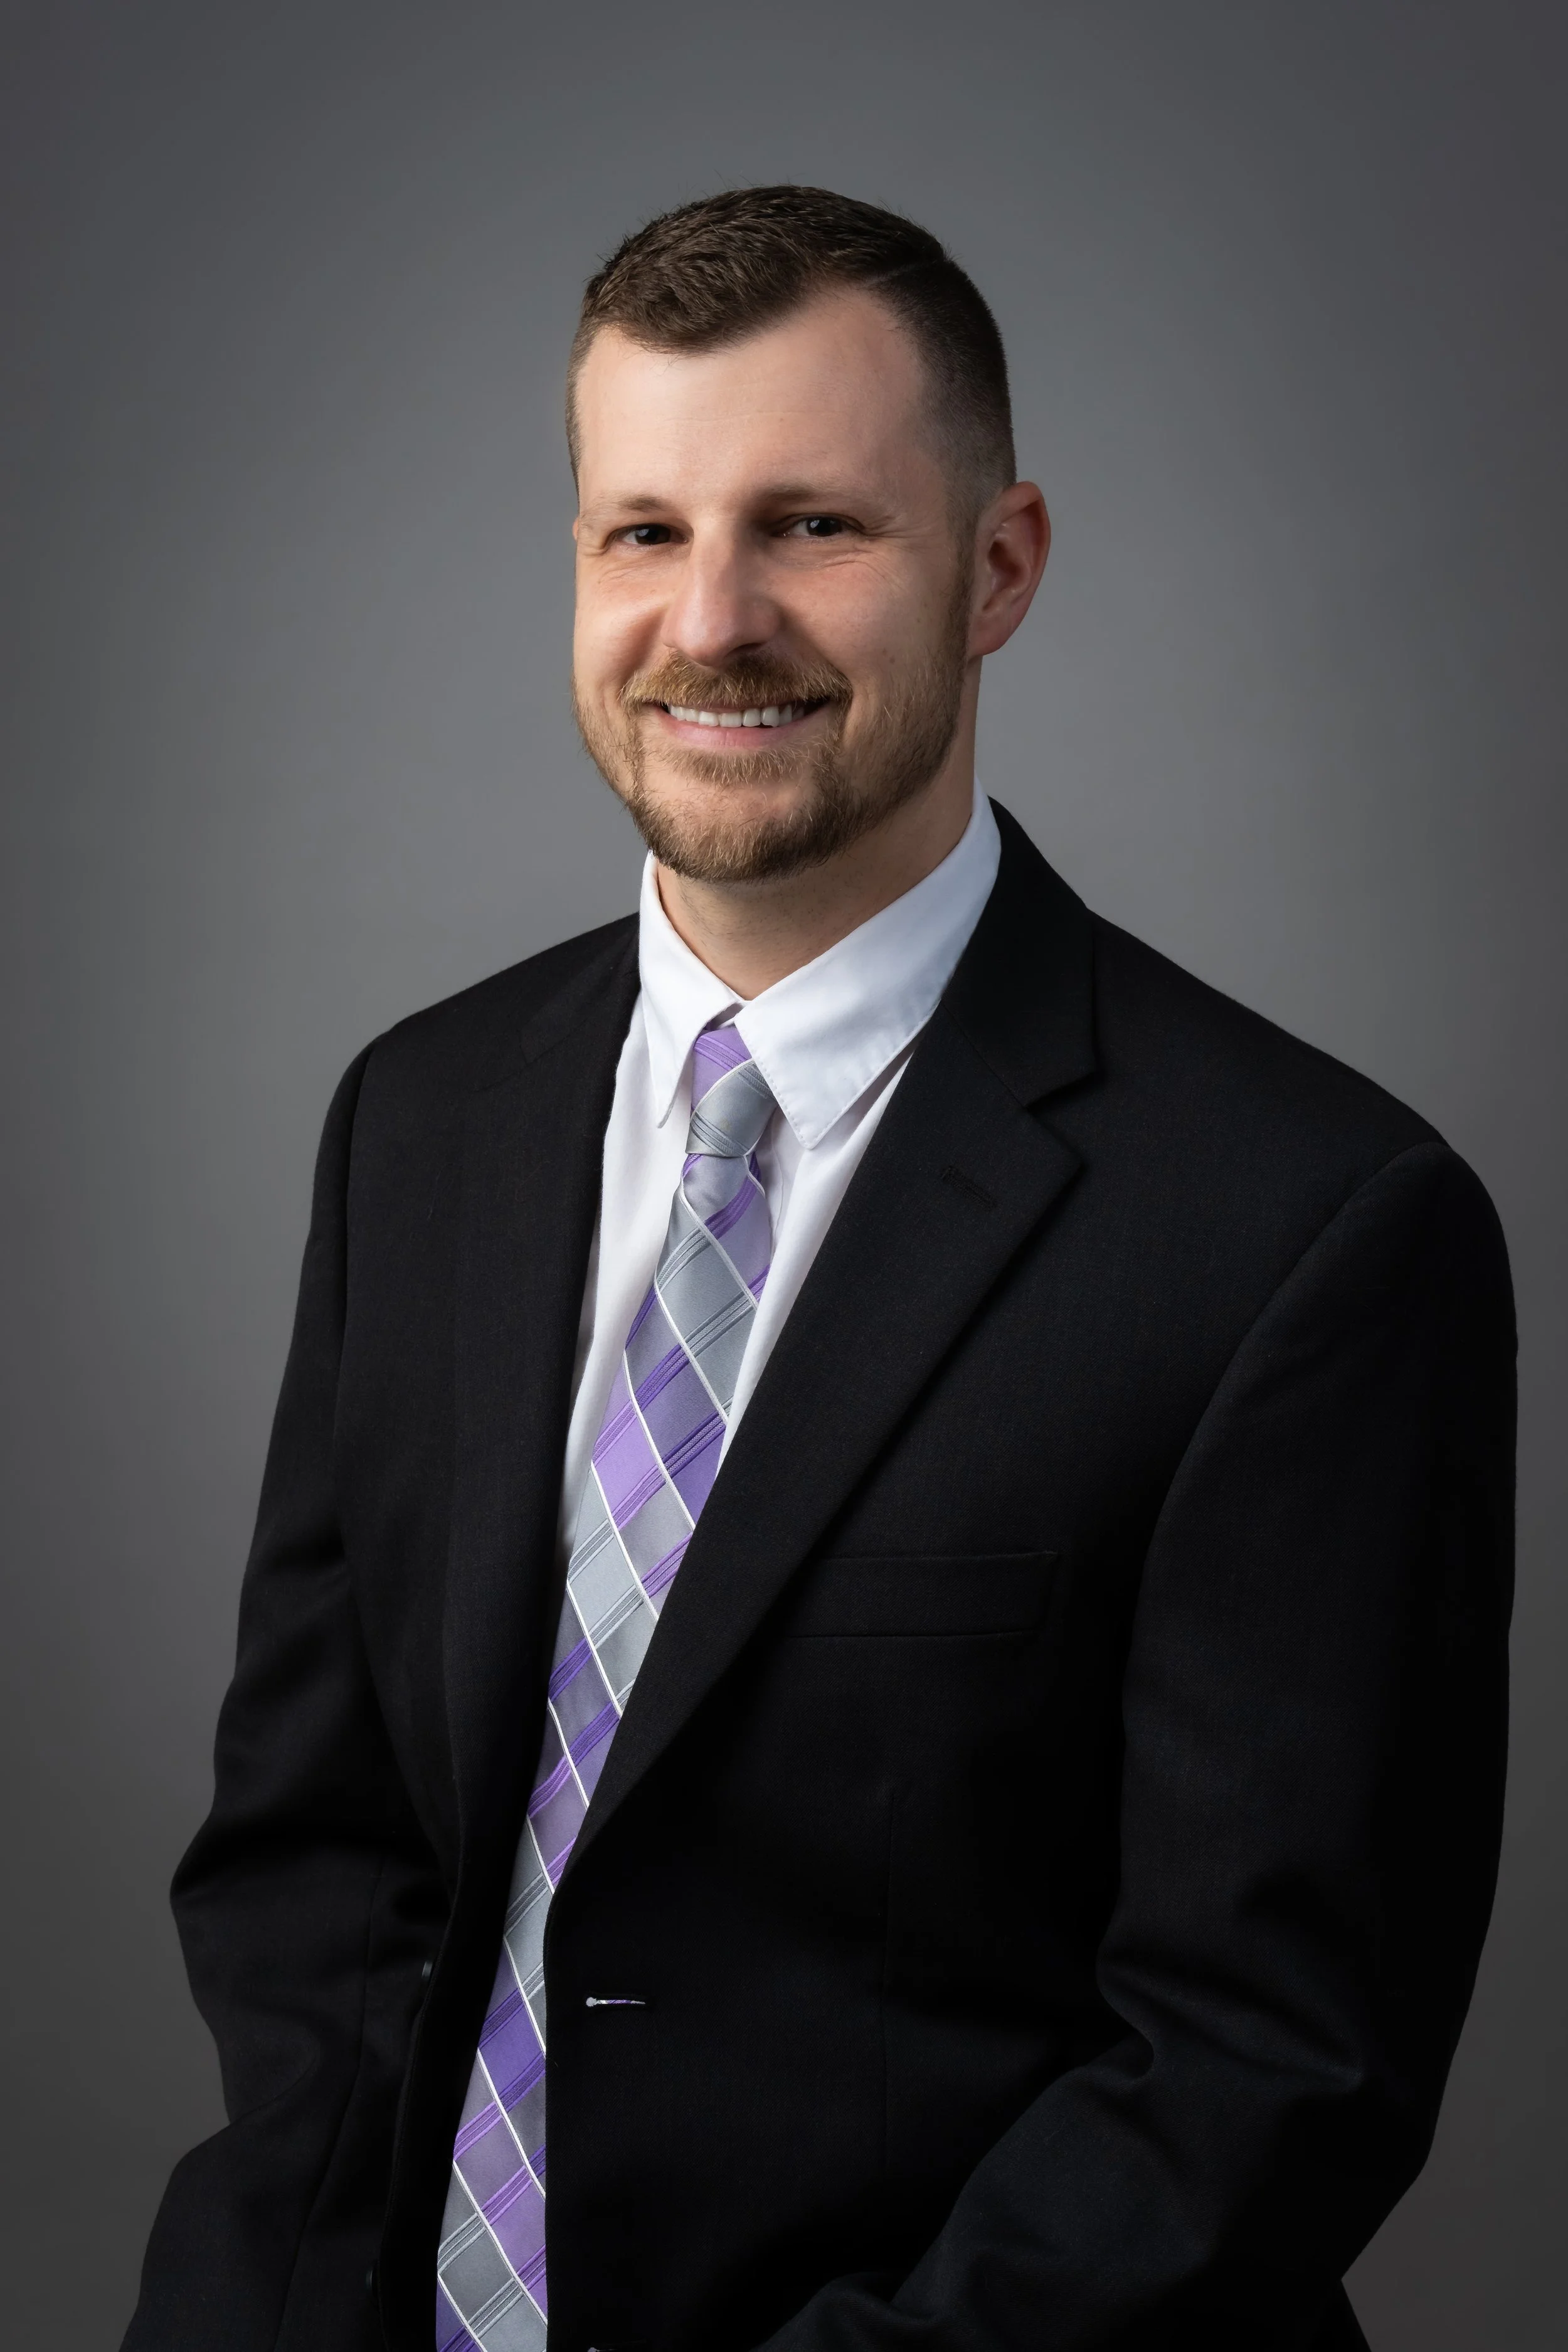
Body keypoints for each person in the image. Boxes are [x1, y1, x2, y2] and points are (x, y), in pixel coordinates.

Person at [122, 186, 1515, 2352]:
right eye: (640, 532)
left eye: (814, 527)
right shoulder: (423, 1117)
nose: (712, 618)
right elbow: (321, 1881)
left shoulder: (1305, 1229)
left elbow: (1259, 2072)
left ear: (1000, 564)